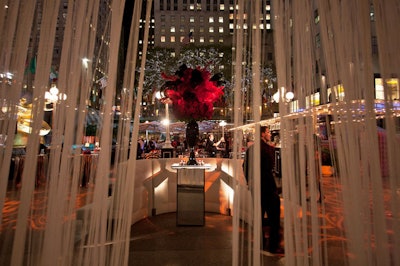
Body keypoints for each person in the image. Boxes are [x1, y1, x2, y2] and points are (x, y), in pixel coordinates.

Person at [243, 126, 283, 254]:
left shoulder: (251, 149)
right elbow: (272, 168)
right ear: (262, 134)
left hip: (256, 188)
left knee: (259, 216)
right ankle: (273, 245)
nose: (270, 134)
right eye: (267, 132)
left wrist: (249, 182)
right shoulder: (268, 149)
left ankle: (260, 243)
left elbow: (245, 166)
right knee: (274, 218)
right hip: (268, 187)